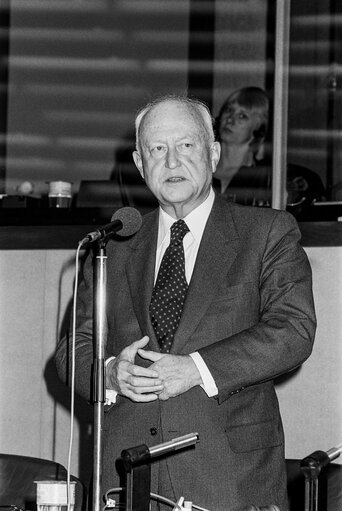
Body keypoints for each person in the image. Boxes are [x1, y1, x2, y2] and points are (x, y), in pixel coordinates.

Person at [55, 94, 316, 511]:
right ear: (140, 165)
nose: (172, 162)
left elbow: (293, 330)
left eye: (186, 145)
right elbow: (73, 350)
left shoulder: (266, 231)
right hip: (124, 475)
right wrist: (109, 374)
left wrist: (196, 369)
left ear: (213, 154)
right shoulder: (114, 244)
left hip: (229, 475)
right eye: (157, 149)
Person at [214, 86, 326, 216]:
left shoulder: (268, 177)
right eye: (229, 110)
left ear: (259, 129)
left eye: (242, 116)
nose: (230, 119)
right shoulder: (201, 169)